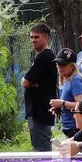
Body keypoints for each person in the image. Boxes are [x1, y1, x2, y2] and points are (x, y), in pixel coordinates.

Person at [21, 23, 58, 152]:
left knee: (42, 150)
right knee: (36, 145)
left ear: (46, 38)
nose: (33, 40)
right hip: (32, 113)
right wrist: (32, 83)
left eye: (36, 37)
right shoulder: (38, 57)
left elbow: (25, 82)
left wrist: (29, 82)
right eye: (31, 37)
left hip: (40, 112)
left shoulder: (46, 56)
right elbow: (28, 81)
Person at [48, 48, 82, 139]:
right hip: (70, 128)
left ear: (72, 66)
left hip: (77, 128)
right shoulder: (67, 80)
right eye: (58, 64)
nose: (59, 67)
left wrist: (62, 103)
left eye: (63, 64)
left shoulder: (76, 80)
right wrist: (59, 107)